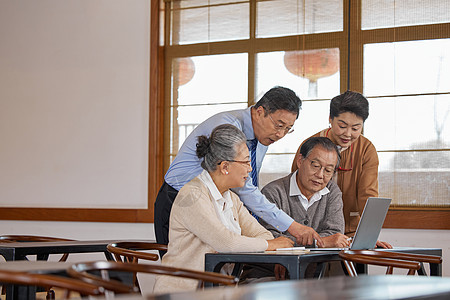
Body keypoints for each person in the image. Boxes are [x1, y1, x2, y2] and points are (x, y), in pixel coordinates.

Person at [155, 86, 324, 255]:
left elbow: (246, 185)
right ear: (259, 112)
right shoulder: (228, 128)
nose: (280, 134)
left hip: (219, 201)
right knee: (186, 263)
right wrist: (291, 227)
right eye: (279, 125)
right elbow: (245, 190)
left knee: (218, 262)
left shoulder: (263, 138)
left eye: (288, 129)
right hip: (181, 198)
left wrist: (274, 243)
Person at [152, 124, 293, 294]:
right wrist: (270, 245)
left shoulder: (231, 197)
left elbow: (262, 235)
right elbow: (228, 242)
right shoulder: (192, 195)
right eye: (246, 162)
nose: (250, 169)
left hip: (219, 290)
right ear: (225, 167)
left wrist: (265, 243)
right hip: (184, 292)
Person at [291, 91, 392, 248]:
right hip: (310, 231)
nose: (348, 134)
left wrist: (368, 235)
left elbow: (368, 196)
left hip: (349, 232)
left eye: (356, 128)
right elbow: (294, 189)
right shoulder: (310, 146)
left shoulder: (366, 150)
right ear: (330, 119)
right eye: (342, 126)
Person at [240, 137, 349, 282]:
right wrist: (320, 242)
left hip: (311, 277)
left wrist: (295, 246)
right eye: (315, 166)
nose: (320, 175)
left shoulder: (332, 191)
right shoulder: (274, 192)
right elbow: (270, 238)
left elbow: (335, 233)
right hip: (267, 273)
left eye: (328, 170)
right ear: (300, 161)